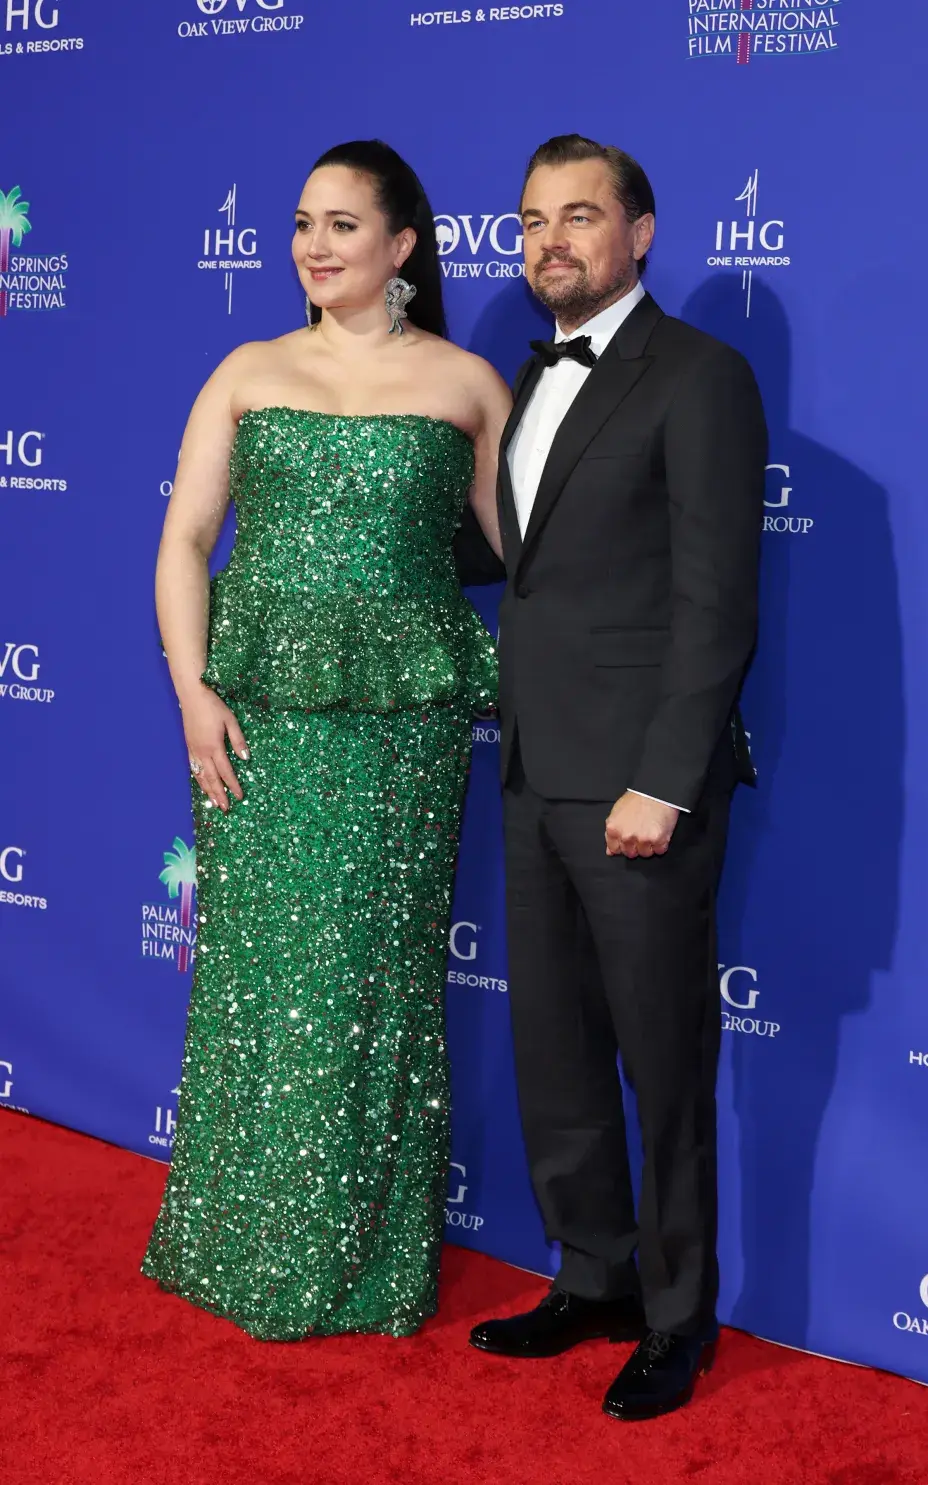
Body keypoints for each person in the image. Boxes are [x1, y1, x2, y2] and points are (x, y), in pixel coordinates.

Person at [142, 140, 509, 1340]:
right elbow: (186, 542)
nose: (314, 243)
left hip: (403, 725)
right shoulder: (246, 368)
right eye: (304, 221)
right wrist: (196, 691)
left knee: (374, 979)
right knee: (261, 984)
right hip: (262, 715)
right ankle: (236, 1244)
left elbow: (529, 556)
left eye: (344, 224)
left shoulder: (467, 384)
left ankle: (364, 1257)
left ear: (403, 247)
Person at [469, 135, 767, 1421]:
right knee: (557, 1053)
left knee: (663, 1061)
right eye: (534, 220)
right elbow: (521, 572)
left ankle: (678, 1313)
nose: (552, 241)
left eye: (581, 216)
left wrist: (667, 780)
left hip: (641, 787)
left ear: (642, 233)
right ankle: (589, 1274)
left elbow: (715, 605)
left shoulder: (699, 378)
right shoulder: (525, 381)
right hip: (535, 774)